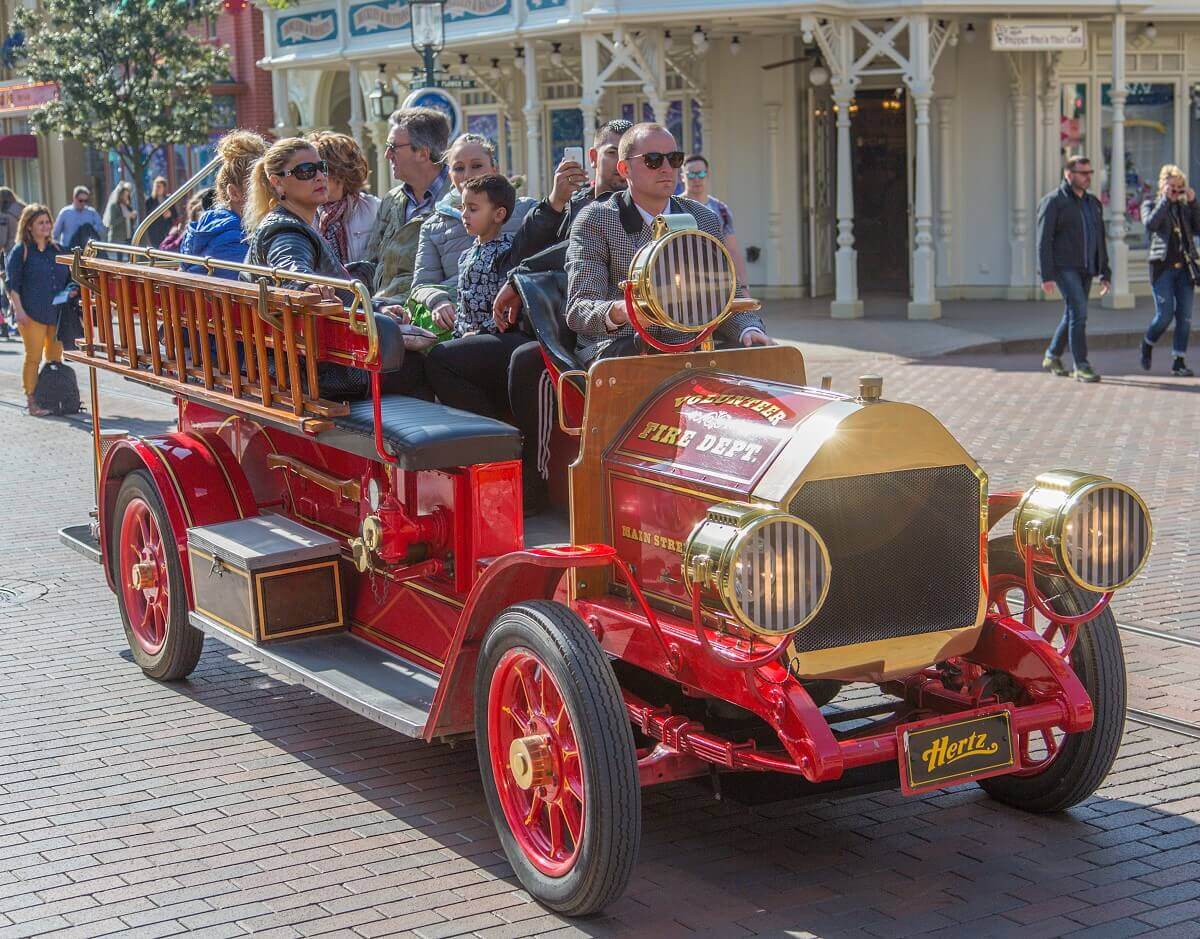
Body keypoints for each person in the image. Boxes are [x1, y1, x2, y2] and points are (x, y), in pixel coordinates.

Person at [565, 122, 769, 365]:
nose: (666, 168)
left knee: (760, 359)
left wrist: (749, 331)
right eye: (653, 159)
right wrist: (625, 312)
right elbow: (579, 309)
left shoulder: (704, 218)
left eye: (674, 159)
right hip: (619, 352)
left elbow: (727, 294)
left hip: (693, 347)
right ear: (624, 168)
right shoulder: (596, 220)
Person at [242, 137, 429, 400]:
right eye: (306, 171)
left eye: (322, 168)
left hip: (305, 363)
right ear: (277, 181)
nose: (319, 177)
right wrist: (306, 285)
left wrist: (378, 308)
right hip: (324, 374)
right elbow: (290, 270)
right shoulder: (285, 230)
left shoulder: (293, 222)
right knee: (431, 364)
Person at [409, 133, 534, 318]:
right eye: (458, 168)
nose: (467, 175)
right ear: (449, 175)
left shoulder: (525, 210)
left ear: (494, 169)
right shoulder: (433, 227)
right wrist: (439, 301)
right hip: (458, 320)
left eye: (477, 166)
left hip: (516, 316)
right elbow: (422, 284)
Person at [363, 107, 451, 300]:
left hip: (427, 318)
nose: (387, 154)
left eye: (393, 147)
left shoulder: (458, 201)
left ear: (423, 153)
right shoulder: (392, 200)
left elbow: (458, 276)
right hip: (382, 313)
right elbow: (371, 262)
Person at [1037, 155, 1111, 383]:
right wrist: (1046, 275)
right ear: (1069, 175)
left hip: (1087, 267)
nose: (1088, 177)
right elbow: (1043, 240)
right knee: (1079, 313)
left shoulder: (1092, 203)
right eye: (1083, 173)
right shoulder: (1054, 201)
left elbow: (1100, 239)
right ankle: (1082, 364)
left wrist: (1105, 272)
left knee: (1072, 313)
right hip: (1063, 267)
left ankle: (1052, 356)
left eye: (1090, 173)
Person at [6, 204, 70, 416]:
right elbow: (12, 284)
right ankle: (32, 400)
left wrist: (72, 292)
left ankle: (53, 397)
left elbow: (71, 278)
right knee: (33, 357)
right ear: (29, 226)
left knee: (54, 358)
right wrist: (19, 311)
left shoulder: (58, 249)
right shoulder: (21, 250)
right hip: (31, 313)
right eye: (40, 222)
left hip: (55, 314)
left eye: (47, 222)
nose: (45, 226)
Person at [179, 130, 268, 278]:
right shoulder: (233, 240)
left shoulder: (213, 227)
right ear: (234, 193)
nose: (271, 191)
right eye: (260, 185)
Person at [1139, 164, 1199, 377]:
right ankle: (1147, 343)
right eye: (1171, 186)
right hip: (1162, 268)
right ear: (1162, 185)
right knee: (1164, 315)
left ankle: (1179, 361)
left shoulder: (1184, 208)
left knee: (1184, 317)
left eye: (1178, 187)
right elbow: (1150, 225)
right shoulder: (1150, 204)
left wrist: (1192, 202)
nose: (1175, 191)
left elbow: (1198, 227)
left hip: (1185, 270)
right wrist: (1165, 200)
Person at [308, 130, 380, 266]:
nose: (316, 177)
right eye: (310, 170)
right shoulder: (303, 213)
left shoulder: (374, 209)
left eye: (323, 169)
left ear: (341, 172)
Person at [683, 155, 749, 287]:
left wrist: (743, 287)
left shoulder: (721, 210)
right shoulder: (672, 207)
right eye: (691, 175)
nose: (697, 179)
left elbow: (733, 250)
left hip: (717, 283)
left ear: (707, 176)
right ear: (682, 177)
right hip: (682, 283)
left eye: (701, 174)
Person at [144, 176, 180, 248]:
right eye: (156, 186)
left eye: (159, 187)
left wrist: (170, 214)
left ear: (164, 188)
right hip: (155, 231)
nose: (157, 189)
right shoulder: (149, 201)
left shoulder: (168, 200)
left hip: (168, 230)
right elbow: (147, 215)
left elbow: (175, 215)